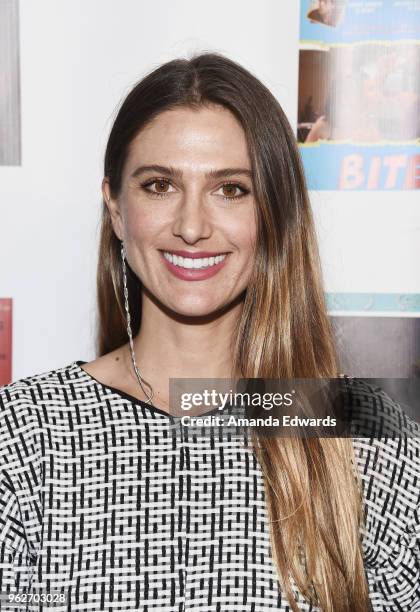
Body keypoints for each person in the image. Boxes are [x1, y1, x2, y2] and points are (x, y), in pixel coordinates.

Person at [0, 52, 419, 612]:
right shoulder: (25, 436)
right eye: (159, 185)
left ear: (273, 213)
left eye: (231, 190)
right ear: (116, 209)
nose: (192, 227)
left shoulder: (362, 435)